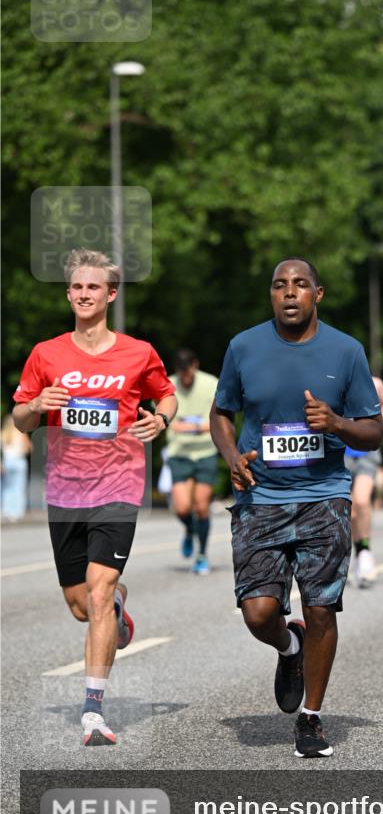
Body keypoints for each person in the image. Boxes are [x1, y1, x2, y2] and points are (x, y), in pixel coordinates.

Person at [210, 258, 382, 758]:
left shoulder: (345, 351)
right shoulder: (244, 346)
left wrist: (337, 424)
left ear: (317, 295)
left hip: (323, 496)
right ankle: (289, 648)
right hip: (259, 497)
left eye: (300, 285)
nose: (289, 293)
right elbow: (222, 412)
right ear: (272, 295)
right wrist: (229, 455)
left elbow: (374, 432)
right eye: (280, 285)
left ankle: (311, 717)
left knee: (322, 606)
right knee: (258, 612)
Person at [12, 249, 176, 746]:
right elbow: (20, 419)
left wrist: (161, 418)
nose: (84, 294)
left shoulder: (137, 352)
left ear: (111, 294)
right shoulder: (46, 353)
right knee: (81, 605)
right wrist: (38, 405)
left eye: (93, 287)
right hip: (64, 489)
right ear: (70, 294)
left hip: (119, 485)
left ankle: (93, 710)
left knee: (99, 592)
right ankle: (117, 609)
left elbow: (164, 393)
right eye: (77, 287)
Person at [167, 349, 220, 574]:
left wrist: (190, 426)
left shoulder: (211, 384)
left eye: (188, 372)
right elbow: (169, 422)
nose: (185, 378)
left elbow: (216, 420)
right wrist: (199, 425)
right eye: (181, 373)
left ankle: (202, 554)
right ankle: (189, 531)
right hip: (179, 453)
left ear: (195, 366)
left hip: (205, 452)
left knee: (201, 505)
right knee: (181, 508)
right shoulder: (168, 385)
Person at [344, 376, 383, 587]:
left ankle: (365, 552)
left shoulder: (375, 382)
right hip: (342, 452)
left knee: (362, 501)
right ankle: (358, 552)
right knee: (350, 509)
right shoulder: (336, 379)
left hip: (367, 451)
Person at [1, 415, 31, 521]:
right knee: (19, 487)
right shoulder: (21, 433)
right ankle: (17, 512)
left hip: (7, 463)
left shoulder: (3, 434)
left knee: (6, 488)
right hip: (19, 462)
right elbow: (29, 448)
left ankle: (7, 511)